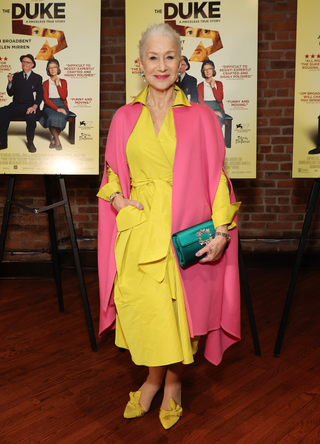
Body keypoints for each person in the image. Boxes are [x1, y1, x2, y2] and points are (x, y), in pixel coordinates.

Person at [97, 23, 241, 430]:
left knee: (182, 312)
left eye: (169, 57)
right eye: (153, 58)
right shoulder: (124, 116)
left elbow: (217, 178)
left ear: (181, 63)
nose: (161, 66)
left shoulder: (201, 118)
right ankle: (154, 376)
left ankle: (171, 382)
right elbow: (110, 175)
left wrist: (221, 230)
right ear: (140, 65)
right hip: (139, 228)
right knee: (145, 312)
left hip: (186, 227)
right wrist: (117, 199)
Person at [0, 54, 43, 153]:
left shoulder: (37, 78)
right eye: (23, 62)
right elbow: (10, 93)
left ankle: (30, 143)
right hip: (16, 105)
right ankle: (2, 141)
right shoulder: (16, 76)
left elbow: (40, 94)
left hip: (30, 106)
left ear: (32, 64)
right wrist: (10, 82)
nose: (24, 64)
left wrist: (34, 106)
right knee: (2, 112)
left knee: (31, 117)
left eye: (27, 62)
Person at [40, 59, 69, 150]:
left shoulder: (63, 82)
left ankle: (53, 140)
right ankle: (57, 140)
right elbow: (46, 99)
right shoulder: (45, 83)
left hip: (61, 104)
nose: (52, 69)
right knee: (51, 117)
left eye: (54, 67)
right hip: (50, 105)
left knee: (62, 116)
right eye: (50, 68)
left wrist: (57, 85)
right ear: (48, 70)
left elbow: (64, 96)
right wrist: (57, 109)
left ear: (58, 68)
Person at [197, 60, 226, 127]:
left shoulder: (219, 84)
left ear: (213, 70)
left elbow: (219, 99)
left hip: (217, 107)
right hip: (205, 107)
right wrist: (212, 112)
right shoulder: (200, 86)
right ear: (203, 71)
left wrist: (213, 86)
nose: (208, 71)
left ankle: (217, 137)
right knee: (206, 120)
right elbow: (200, 102)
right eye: (205, 69)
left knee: (217, 119)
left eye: (210, 69)